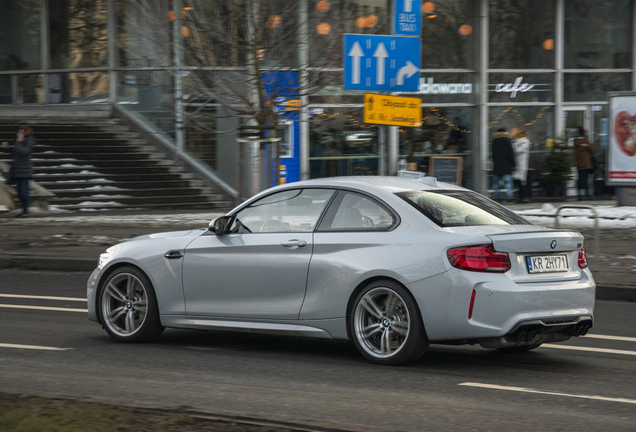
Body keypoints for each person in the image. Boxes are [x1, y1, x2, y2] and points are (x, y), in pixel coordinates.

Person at [1, 125, 36, 217]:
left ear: (26, 132)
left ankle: (25, 210)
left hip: (25, 169)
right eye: (19, 131)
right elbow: (16, 151)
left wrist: (19, 142)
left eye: (22, 131)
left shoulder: (30, 140)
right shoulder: (18, 141)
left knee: (24, 191)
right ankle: (24, 208)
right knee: (19, 190)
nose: (20, 133)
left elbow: (25, 151)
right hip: (16, 169)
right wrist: (8, 148)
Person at [491, 127, 515, 203]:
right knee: (508, 183)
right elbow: (510, 154)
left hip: (497, 165)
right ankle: (509, 199)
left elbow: (493, 154)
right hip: (506, 165)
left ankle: (497, 198)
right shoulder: (507, 141)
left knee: (496, 184)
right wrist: (513, 165)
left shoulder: (494, 141)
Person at [573, 126, 594, 201]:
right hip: (586, 164)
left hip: (579, 164)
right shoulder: (585, 141)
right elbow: (591, 151)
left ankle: (579, 195)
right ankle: (587, 195)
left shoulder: (575, 141)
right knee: (587, 180)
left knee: (580, 179)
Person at [512, 130, 531, 203]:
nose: (515, 137)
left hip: (522, 165)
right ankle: (522, 196)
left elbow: (517, 151)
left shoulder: (524, 143)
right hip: (518, 165)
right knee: (518, 180)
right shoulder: (519, 143)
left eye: (517, 136)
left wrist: (513, 146)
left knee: (521, 181)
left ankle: (524, 197)